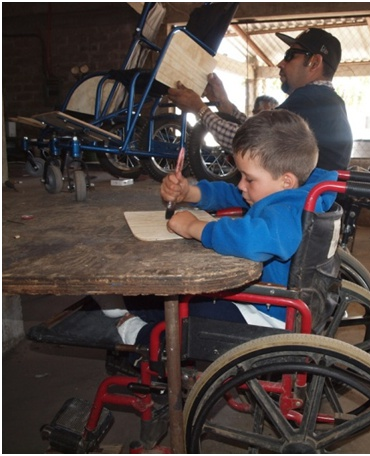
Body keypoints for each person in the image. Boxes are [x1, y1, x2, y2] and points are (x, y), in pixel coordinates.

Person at [104, 109, 338, 346]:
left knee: (191, 315)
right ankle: (126, 304)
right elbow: (235, 195)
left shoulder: (289, 211)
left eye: (249, 178)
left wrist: (195, 227)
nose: (240, 184)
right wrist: (190, 192)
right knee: (189, 300)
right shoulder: (296, 190)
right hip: (270, 301)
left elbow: (251, 241)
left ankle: (138, 334)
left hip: (270, 315)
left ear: (286, 180)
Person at [168, 27, 353, 171]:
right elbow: (262, 132)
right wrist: (225, 105)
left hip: (304, 209)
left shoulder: (311, 101)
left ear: (314, 62)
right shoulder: (324, 102)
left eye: (290, 56)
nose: (281, 63)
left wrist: (199, 109)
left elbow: (249, 143)